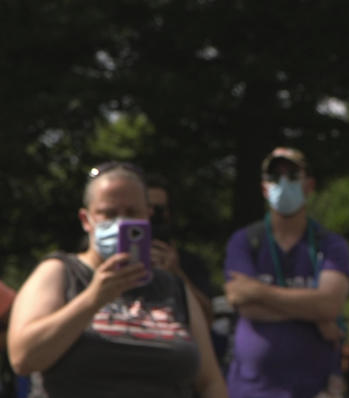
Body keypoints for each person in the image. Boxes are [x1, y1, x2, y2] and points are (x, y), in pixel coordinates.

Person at [6, 161, 227, 398]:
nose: (121, 222)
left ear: (148, 215)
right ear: (86, 219)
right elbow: (23, 358)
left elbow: (210, 382)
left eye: (132, 213)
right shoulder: (60, 272)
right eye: (109, 214)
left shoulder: (172, 286)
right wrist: (93, 298)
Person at [223, 147, 349, 398]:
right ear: (263, 188)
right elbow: (241, 302)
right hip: (251, 390)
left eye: (292, 176)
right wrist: (314, 315)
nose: (283, 183)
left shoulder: (330, 244)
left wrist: (258, 290)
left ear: (309, 185)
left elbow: (330, 305)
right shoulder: (245, 240)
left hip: (314, 389)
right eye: (274, 177)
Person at [146, 175, 216, 326]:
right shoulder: (117, 259)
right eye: (145, 208)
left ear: (169, 214)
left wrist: (177, 273)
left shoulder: (189, 263)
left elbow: (207, 319)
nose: (151, 215)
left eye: (159, 210)